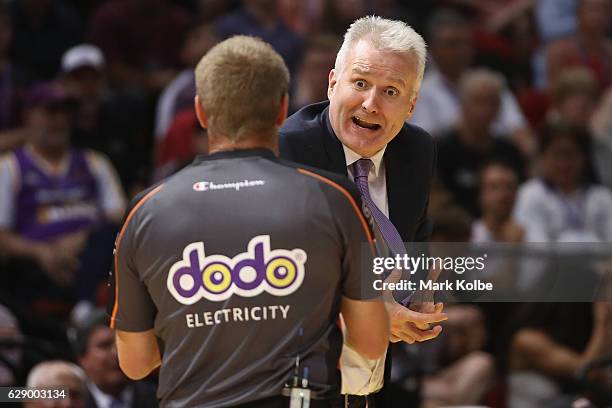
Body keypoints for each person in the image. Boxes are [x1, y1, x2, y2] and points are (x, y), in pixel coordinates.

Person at [108, 35, 389, 408]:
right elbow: (371, 341)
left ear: (201, 112)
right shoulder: (334, 199)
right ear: (282, 109)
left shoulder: (145, 212)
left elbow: (135, 363)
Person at [279, 15, 448, 407]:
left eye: (391, 91)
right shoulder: (286, 152)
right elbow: (281, 276)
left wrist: (414, 298)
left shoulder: (416, 152)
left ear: (410, 106)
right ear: (333, 82)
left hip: (367, 382)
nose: (371, 104)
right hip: (291, 379)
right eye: (360, 83)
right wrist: (367, 313)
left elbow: (412, 243)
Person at [0, 82, 126, 318]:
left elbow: (119, 216)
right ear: (29, 116)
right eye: (50, 112)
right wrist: (41, 252)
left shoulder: (94, 162)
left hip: (92, 258)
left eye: (65, 112)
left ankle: (86, 307)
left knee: (112, 235)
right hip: (34, 268)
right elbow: (2, 234)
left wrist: (81, 238)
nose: (59, 120)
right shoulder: (9, 167)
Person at [70, 308, 157, 408]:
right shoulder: (67, 400)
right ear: (82, 358)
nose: (117, 353)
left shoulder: (160, 398)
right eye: (105, 345)